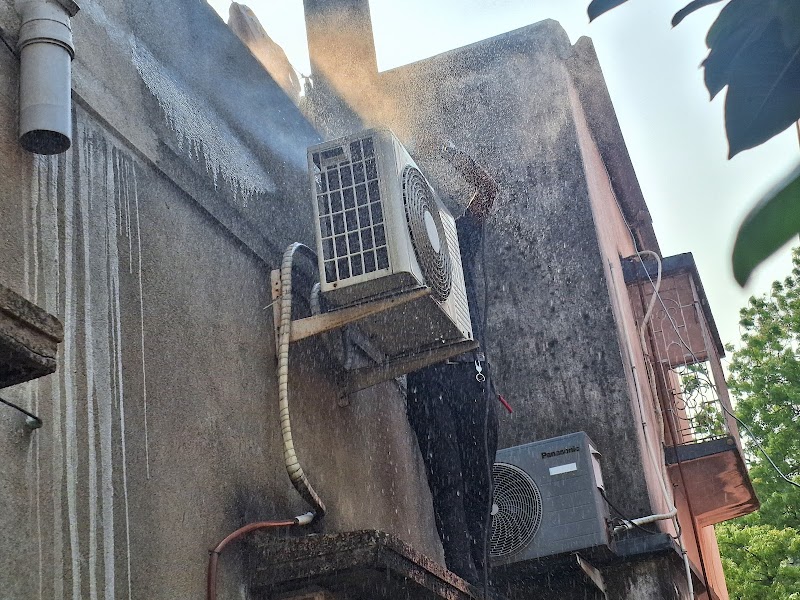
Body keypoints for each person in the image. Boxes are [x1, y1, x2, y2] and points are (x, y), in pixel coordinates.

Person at [406, 140, 499, 588]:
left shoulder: (459, 238)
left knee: (478, 482)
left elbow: (487, 190)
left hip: (469, 372)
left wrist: (448, 154)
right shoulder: (403, 241)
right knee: (448, 479)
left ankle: (479, 578)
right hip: (427, 372)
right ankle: (464, 573)